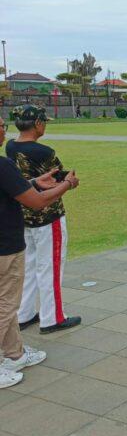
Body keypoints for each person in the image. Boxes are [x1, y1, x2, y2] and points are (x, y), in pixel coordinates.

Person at [0, 113, 79, 388]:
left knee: (12, 298)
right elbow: (39, 199)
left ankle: (16, 349)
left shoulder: (10, 151)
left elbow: (13, 188)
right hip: (13, 239)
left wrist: (34, 182)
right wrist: (67, 184)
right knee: (7, 303)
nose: (4, 130)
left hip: (15, 232)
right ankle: (50, 318)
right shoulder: (10, 162)